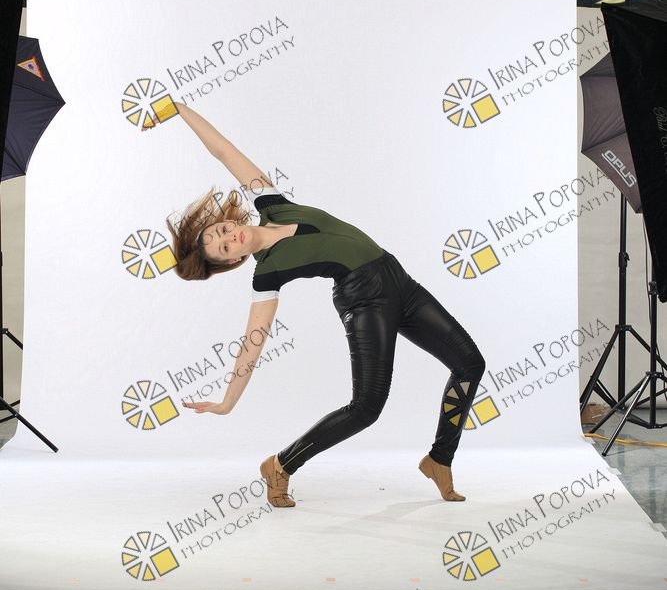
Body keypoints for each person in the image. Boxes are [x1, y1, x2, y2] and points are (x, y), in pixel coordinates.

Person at [159, 102, 486, 509]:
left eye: (222, 231)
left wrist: (179, 109)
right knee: (366, 408)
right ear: (230, 261)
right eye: (224, 248)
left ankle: (439, 459)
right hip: (364, 301)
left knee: (470, 363)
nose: (230, 238)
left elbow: (223, 151)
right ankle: (281, 464)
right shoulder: (266, 274)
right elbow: (253, 342)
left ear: (227, 221)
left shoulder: (270, 202)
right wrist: (228, 402)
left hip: (398, 280)